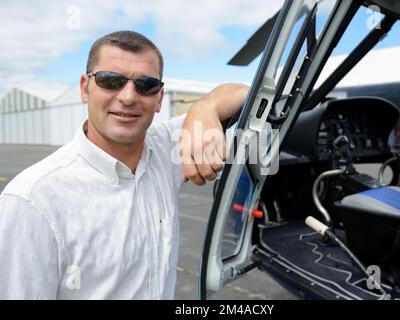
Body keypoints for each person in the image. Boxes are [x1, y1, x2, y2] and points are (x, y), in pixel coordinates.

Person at [0, 30, 248, 299]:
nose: (128, 97)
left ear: (159, 98)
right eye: (111, 81)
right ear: (85, 88)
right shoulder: (32, 199)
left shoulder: (165, 148)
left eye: (146, 85)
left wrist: (205, 107)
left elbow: (245, 93)